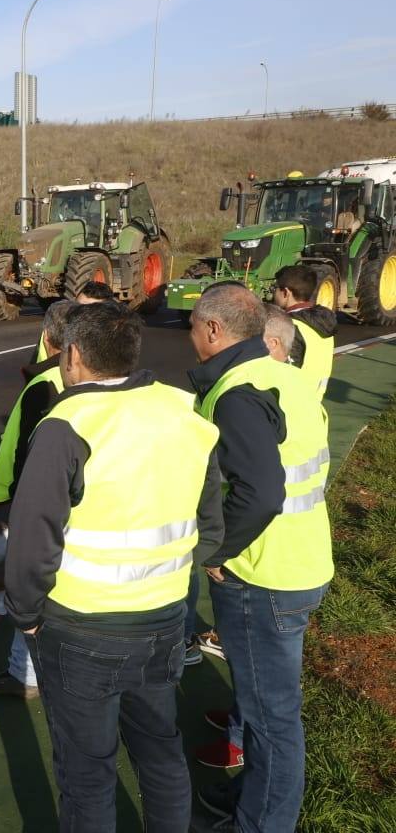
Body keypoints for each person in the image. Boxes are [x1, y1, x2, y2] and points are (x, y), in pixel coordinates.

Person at [6, 301, 223, 832]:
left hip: (81, 627)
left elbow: (33, 537)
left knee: (87, 770)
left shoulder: (67, 423)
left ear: (73, 356)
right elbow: (211, 524)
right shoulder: (183, 410)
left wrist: (27, 614)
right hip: (165, 618)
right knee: (160, 746)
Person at [187, 282, 333, 831]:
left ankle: (264, 823)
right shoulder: (284, 378)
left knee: (272, 722)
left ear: (214, 330)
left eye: (195, 327)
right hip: (302, 561)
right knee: (267, 712)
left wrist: (218, 552)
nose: (192, 338)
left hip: (262, 575)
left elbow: (262, 492)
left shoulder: (238, 393)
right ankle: (253, 802)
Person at [0, 299, 73, 699]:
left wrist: (8, 502)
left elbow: (23, 452)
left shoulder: (42, 385)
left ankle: (24, 676)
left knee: (30, 589)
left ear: (47, 339)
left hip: (32, 506)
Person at [272, 264, 336, 397]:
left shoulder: (290, 327)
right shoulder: (323, 322)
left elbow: (284, 373)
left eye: (275, 288)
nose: (273, 293)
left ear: (286, 293)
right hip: (314, 402)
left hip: (290, 405)